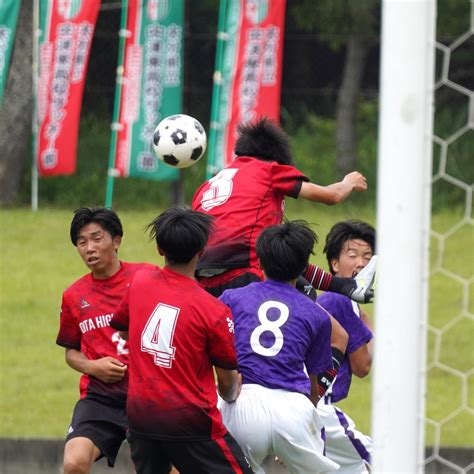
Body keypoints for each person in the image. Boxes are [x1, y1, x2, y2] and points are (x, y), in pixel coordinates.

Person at [110, 207, 252, 474]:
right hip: (190, 421)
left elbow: (124, 332)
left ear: (160, 249)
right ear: (202, 252)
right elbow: (227, 385)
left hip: (140, 416)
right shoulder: (213, 310)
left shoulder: (139, 281)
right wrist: (234, 391)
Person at [192, 117, 375, 303]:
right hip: (246, 271)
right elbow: (331, 196)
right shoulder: (268, 170)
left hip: (202, 280)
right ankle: (347, 289)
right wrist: (349, 182)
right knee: (305, 301)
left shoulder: (206, 186)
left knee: (287, 260)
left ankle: (346, 287)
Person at [218, 220, 340, 474]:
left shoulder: (232, 298)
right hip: (293, 410)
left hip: (241, 404)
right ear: (303, 268)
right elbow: (314, 386)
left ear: (260, 262)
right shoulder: (317, 315)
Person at [56, 207, 154, 474]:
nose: (89, 248)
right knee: (74, 463)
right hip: (100, 398)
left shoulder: (148, 277)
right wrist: (94, 367)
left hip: (148, 394)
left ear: (117, 240)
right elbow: (71, 352)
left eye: (97, 238)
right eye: (82, 241)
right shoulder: (73, 296)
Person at [316, 220, 376, 474]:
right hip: (318, 409)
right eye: (352, 256)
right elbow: (363, 366)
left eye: (368, 257)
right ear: (334, 264)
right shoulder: (340, 301)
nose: (361, 263)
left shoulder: (337, 302)